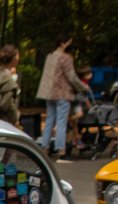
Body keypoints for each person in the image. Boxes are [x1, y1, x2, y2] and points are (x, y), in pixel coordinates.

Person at [35, 35, 88, 163]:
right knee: (61, 122)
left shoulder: (50, 56)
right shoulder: (66, 58)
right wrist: (83, 87)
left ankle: (45, 149)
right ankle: (61, 152)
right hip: (62, 93)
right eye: (69, 42)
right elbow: (72, 76)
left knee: (49, 121)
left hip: (49, 93)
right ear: (63, 43)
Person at [70, 66, 94, 150]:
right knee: (79, 115)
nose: (91, 75)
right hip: (76, 103)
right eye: (88, 74)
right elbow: (85, 97)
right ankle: (69, 119)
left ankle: (76, 139)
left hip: (77, 103)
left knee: (75, 124)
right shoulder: (82, 84)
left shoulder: (83, 82)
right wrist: (89, 105)